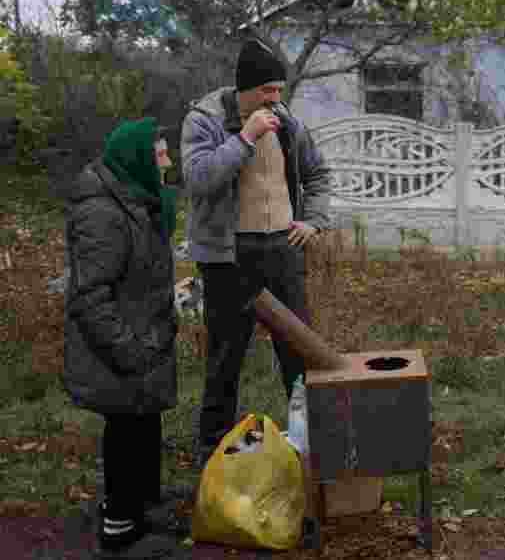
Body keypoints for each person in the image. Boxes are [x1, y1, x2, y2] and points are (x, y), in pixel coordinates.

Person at [181, 37, 332, 469]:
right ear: (245, 88)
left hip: (282, 248)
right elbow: (199, 178)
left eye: (279, 90)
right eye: (267, 91)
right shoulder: (205, 120)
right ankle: (210, 454)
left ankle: (310, 445)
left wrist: (314, 221)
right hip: (230, 255)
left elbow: (319, 171)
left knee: (298, 351)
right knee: (226, 355)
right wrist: (245, 137)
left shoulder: (286, 122)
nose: (275, 100)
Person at [64, 118, 180, 558]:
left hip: (143, 339)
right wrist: (127, 349)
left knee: (144, 423)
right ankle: (118, 526)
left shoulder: (137, 201)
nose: (169, 160)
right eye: (160, 153)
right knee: (126, 428)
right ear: (137, 159)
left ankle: (142, 508)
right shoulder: (103, 213)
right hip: (120, 345)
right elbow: (89, 294)